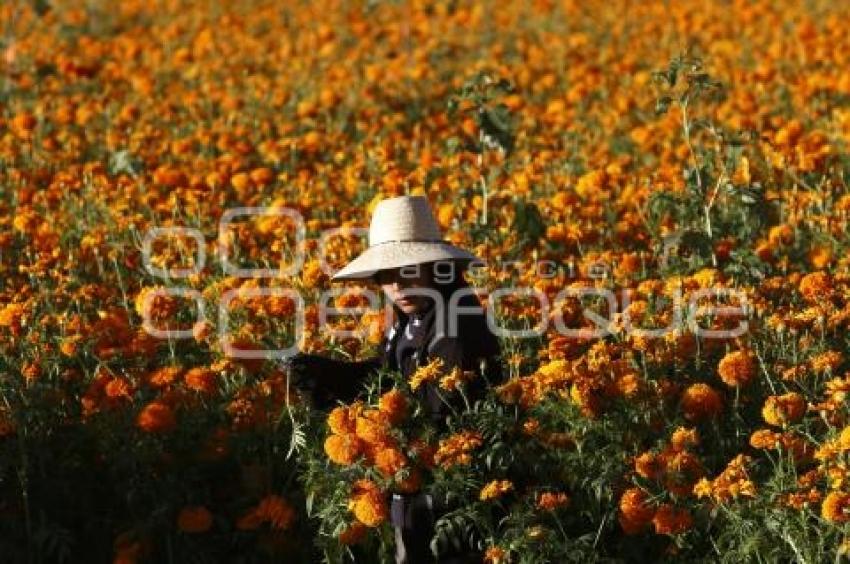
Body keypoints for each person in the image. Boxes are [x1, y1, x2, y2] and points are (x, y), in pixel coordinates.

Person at [285, 195, 504, 564]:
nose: (397, 287)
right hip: (418, 481)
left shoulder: (455, 327)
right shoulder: (415, 311)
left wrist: (371, 436)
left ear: (434, 266)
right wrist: (324, 375)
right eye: (386, 276)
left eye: (407, 271)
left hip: (453, 490)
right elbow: (388, 377)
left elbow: (433, 419)